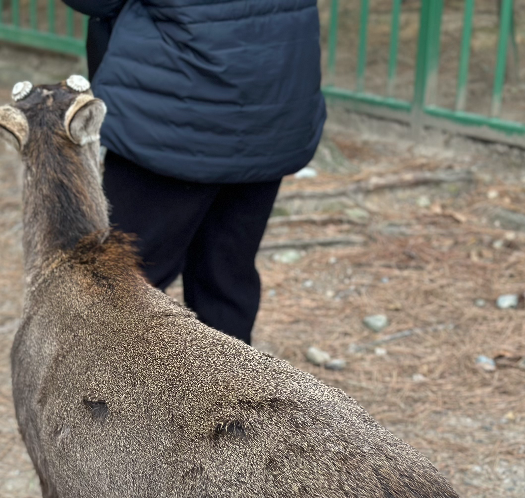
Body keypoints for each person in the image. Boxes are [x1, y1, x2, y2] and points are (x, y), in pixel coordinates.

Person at [61, 0, 326, 345]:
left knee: (122, 289)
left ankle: (116, 381)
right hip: (272, 101)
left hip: (173, 115)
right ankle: (225, 381)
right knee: (225, 281)